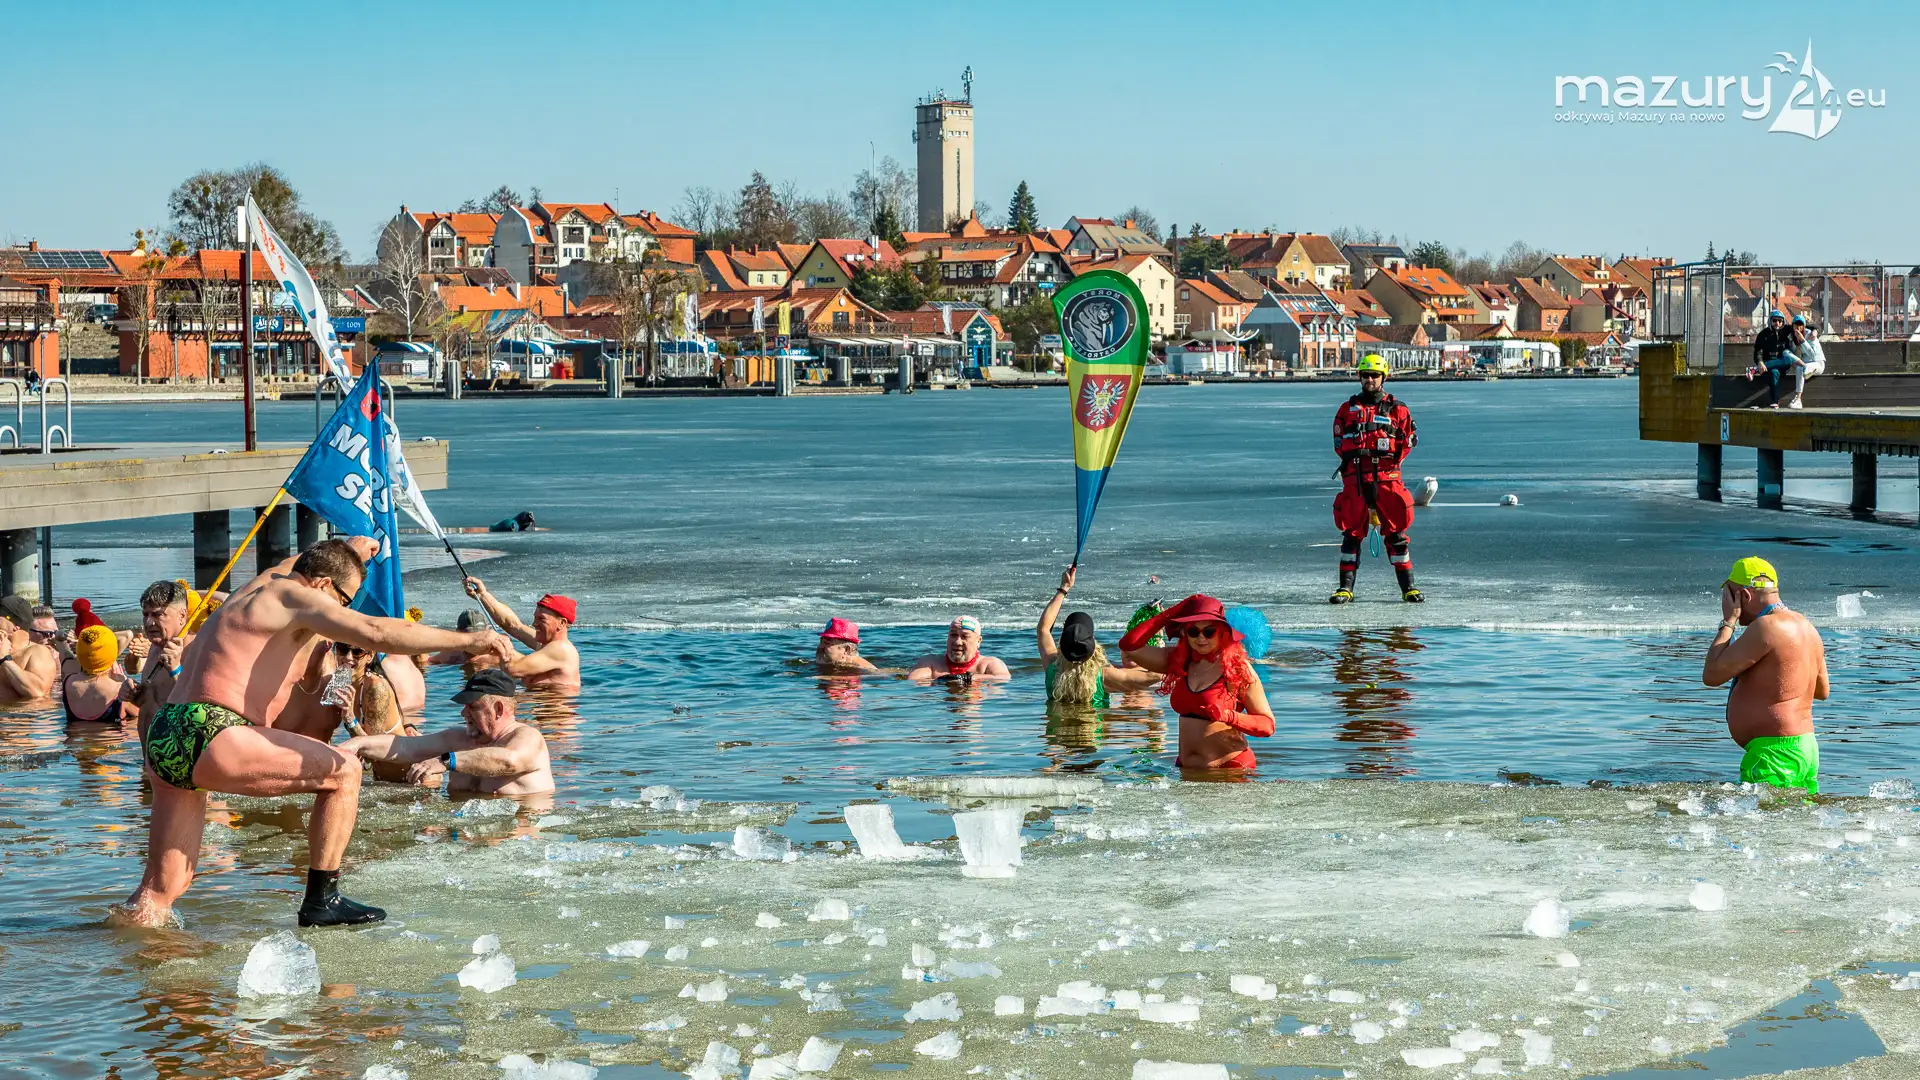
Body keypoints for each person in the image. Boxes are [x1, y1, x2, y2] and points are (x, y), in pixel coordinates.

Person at [112, 538, 510, 930]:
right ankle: (322, 900)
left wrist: (350, 549)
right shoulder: (295, 596)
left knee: (162, 888)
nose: (342, 610)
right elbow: (374, 630)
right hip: (214, 728)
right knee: (345, 770)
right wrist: (471, 640)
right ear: (321, 584)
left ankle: (125, 942)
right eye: (344, 599)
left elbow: (301, 563)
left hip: (167, 732)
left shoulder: (262, 585)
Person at [1702, 557, 1828, 794]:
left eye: (1728, 596)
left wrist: (1728, 622)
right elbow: (1822, 691)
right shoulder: (1807, 626)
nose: (1725, 603)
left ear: (1744, 596)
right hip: (1805, 747)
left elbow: (1711, 674)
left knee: (1763, 816)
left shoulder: (1766, 627)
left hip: (1774, 753)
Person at [1119, 594, 1276, 771]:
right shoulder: (1179, 660)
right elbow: (1129, 646)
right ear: (1185, 633)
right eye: (1193, 631)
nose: (1201, 638)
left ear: (1222, 632)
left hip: (1231, 769)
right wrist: (1171, 613)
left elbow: (1267, 725)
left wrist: (1229, 717)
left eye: (1209, 632)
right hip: (1187, 769)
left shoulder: (1237, 668)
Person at [343, 668, 554, 796]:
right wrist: (356, 745)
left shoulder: (528, 738)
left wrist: (445, 761)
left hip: (513, 841)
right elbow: (405, 747)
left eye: (472, 707)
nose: (463, 713)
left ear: (498, 709)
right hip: (460, 838)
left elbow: (509, 761)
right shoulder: (457, 739)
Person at [1330, 354, 1423, 604]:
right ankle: (1345, 589)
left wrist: (1389, 465)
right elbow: (1338, 443)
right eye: (1365, 375)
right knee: (1351, 534)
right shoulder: (1346, 410)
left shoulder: (1398, 409)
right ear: (1359, 377)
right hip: (1356, 479)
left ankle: (1409, 588)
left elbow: (1407, 442)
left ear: (1384, 377)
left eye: (1374, 375)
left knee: (1396, 535)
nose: (1369, 379)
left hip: (1387, 479)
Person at [1035, 567, 1159, 707]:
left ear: (1062, 644)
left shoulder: (1052, 669)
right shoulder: (1103, 676)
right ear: (1093, 644)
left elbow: (1043, 629)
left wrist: (1063, 588)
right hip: (1092, 722)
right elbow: (1152, 676)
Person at [463, 578, 581, 692]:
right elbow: (512, 624)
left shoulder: (560, 649)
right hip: (535, 702)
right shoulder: (547, 644)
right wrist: (483, 595)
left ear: (561, 623)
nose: (534, 624)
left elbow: (511, 670)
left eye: (541, 619)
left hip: (551, 705)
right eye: (535, 618)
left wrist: (502, 645)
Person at [126, 582, 195, 731]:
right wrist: (132, 694)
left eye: (158, 615)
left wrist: (175, 669)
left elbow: (200, 709)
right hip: (149, 744)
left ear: (182, 616)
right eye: (145, 614)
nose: (149, 622)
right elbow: (153, 701)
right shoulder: (154, 648)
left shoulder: (198, 649)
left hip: (179, 743)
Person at [63, 622, 135, 725]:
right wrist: (124, 682)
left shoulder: (68, 682)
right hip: (112, 735)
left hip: (75, 735)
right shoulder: (120, 690)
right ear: (112, 653)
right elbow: (145, 720)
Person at [907, 616, 1010, 682]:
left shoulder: (989, 664)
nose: (957, 642)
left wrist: (968, 678)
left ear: (978, 641)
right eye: (953, 635)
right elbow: (913, 681)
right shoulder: (930, 662)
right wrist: (943, 680)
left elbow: (1003, 678)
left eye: (965, 636)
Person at [0, 593, 58, 701]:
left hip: (24, 711)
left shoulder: (38, 652)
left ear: (15, 625)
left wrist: (4, 658)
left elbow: (37, 692)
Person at [1748, 310, 1799, 408]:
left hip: (1783, 365)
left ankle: (1754, 370)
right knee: (1774, 372)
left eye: (1780, 321)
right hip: (1768, 367)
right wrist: (1759, 362)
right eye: (1774, 320)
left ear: (1783, 322)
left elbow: (1809, 326)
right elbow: (1758, 352)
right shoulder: (1763, 334)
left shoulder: (1788, 330)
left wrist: (1815, 331)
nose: (1777, 323)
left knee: (1789, 359)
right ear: (1770, 321)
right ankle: (1775, 402)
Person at [1785, 318, 1826, 411]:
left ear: (1804, 326)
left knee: (1801, 368)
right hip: (1803, 363)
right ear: (1793, 325)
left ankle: (1798, 399)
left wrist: (1803, 340)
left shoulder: (1810, 335)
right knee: (1787, 353)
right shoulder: (1790, 337)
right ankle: (1806, 370)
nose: (1798, 327)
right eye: (1796, 324)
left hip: (1817, 364)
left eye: (1800, 325)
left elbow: (1813, 355)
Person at [816, 618, 881, 674]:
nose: (821, 646)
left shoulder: (863, 670)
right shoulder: (836, 662)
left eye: (826, 643)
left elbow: (879, 676)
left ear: (847, 650)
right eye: (821, 642)